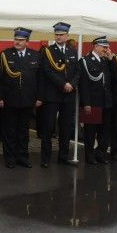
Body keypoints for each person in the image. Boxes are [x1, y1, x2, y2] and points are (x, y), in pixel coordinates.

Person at [0, 27, 41, 168]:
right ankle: (10, 158)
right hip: (10, 99)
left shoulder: (35, 55)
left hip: (28, 99)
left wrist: (39, 97)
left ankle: (23, 157)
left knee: (23, 131)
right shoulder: (5, 54)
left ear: (27, 42)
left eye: (21, 40)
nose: (17, 42)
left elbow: (40, 79)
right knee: (9, 131)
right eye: (16, 39)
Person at [38, 22, 80, 167]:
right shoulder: (48, 51)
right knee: (48, 128)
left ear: (67, 36)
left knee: (66, 127)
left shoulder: (72, 51)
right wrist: (63, 84)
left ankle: (63, 156)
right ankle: (46, 159)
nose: (58, 37)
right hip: (52, 94)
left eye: (61, 35)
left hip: (68, 95)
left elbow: (77, 72)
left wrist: (72, 84)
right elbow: (47, 71)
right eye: (56, 34)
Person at [79, 36, 113, 164]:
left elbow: (113, 79)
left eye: (107, 47)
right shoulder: (85, 61)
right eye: (104, 47)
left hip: (106, 102)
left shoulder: (106, 61)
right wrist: (86, 103)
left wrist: (110, 60)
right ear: (96, 46)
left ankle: (101, 154)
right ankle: (89, 156)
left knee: (104, 131)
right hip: (92, 102)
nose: (106, 49)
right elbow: (84, 85)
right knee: (90, 132)